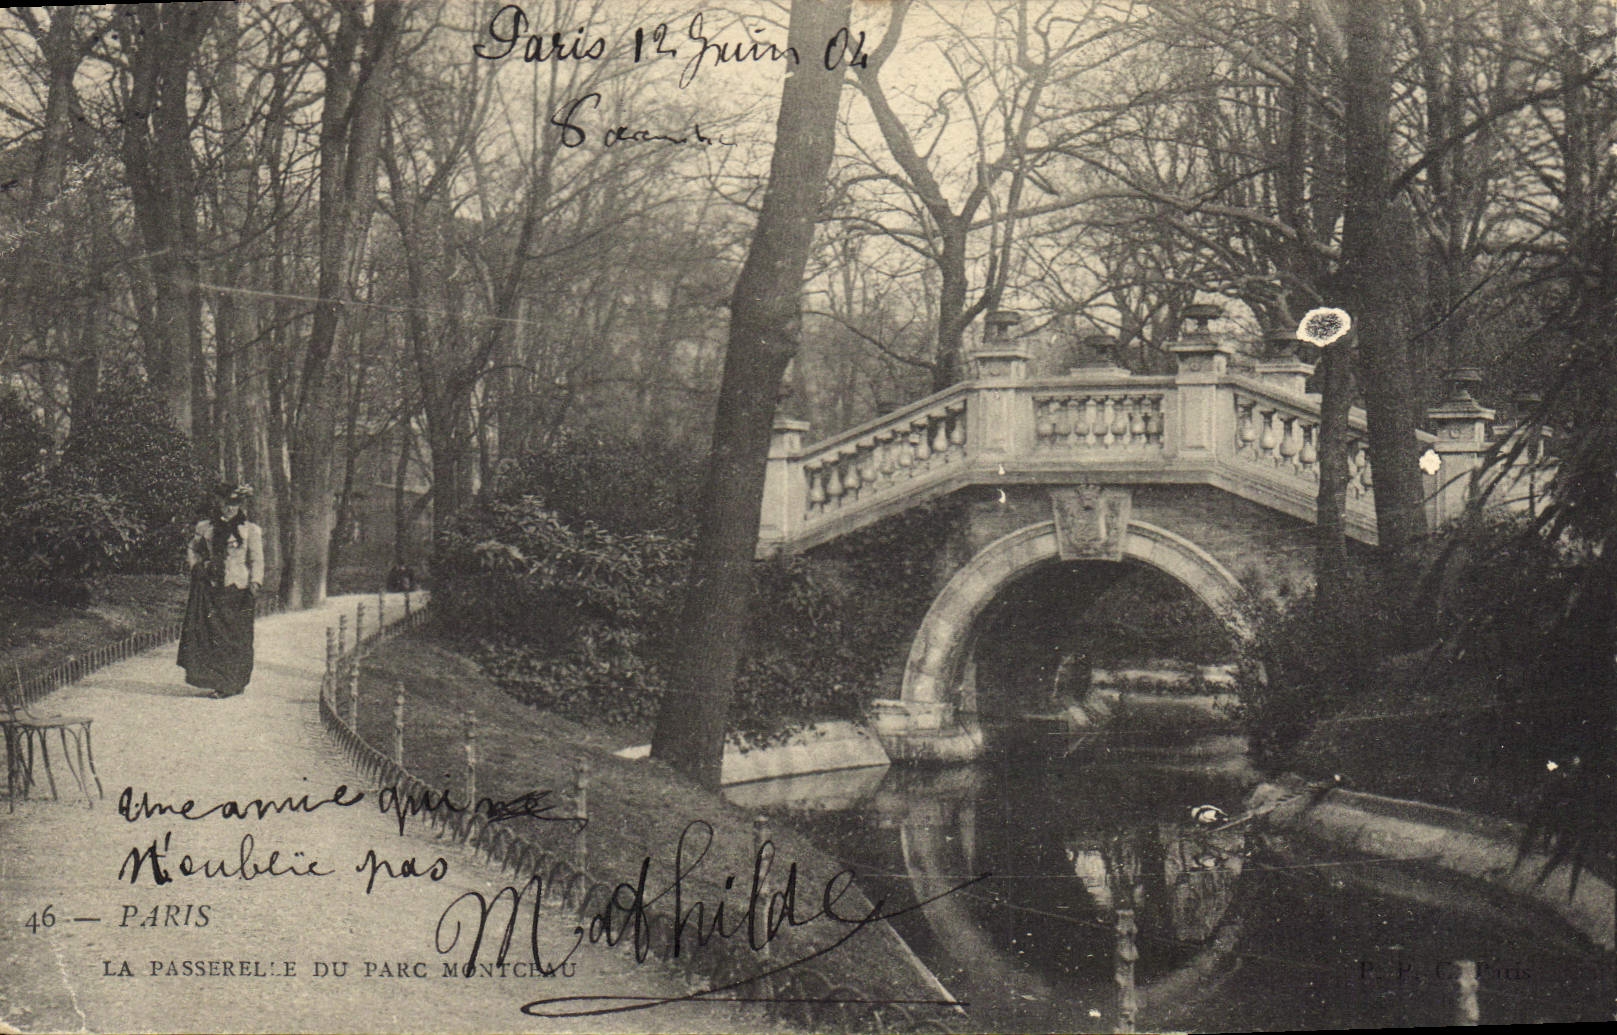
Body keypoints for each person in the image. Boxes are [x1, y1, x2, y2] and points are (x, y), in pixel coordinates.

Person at [177, 483, 263, 699]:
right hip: (213, 587)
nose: (229, 508)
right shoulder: (205, 528)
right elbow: (192, 549)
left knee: (237, 637)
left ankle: (236, 681)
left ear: (240, 505)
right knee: (216, 636)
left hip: (238, 589)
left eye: (234, 504)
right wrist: (197, 566)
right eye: (225, 503)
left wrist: (255, 582)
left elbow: (257, 559)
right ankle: (222, 682)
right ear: (219, 503)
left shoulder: (250, 530)